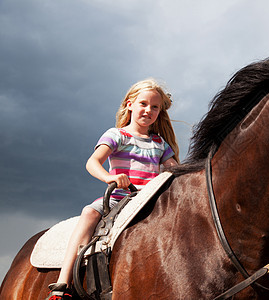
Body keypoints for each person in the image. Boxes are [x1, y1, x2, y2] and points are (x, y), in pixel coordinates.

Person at [45, 78, 179, 300]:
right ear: (130, 104)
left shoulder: (159, 143)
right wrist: (111, 177)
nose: (149, 110)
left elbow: (175, 170)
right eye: (143, 104)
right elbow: (92, 162)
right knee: (89, 212)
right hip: (120, 198)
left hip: (149, 201)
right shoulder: (117, 135)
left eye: (155, 107)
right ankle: (61, 285)